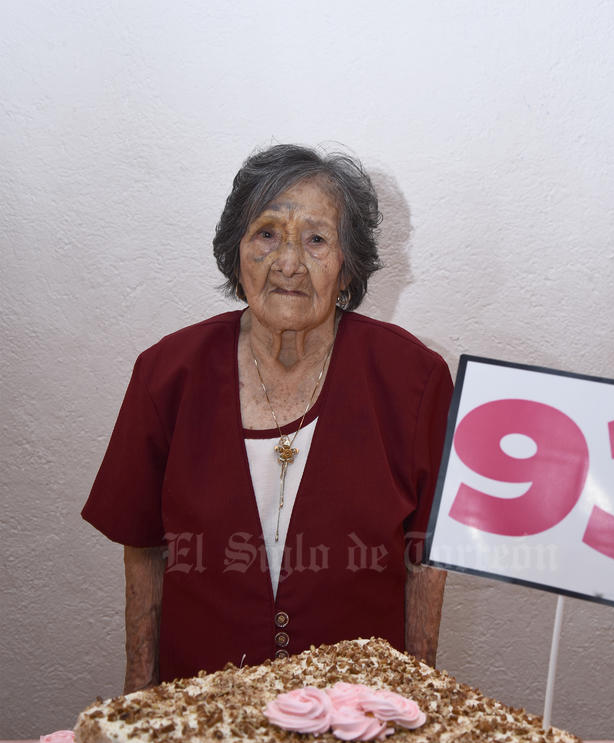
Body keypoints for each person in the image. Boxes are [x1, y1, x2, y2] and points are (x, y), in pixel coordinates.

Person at [82, 144, 453, 692]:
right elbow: (142, 551)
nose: (288, 263)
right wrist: (140, 697)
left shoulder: (414, 380)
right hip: (203, 714)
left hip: (359, 722)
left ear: (347, 266)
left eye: (316, 239)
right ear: (237, 253)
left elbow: (428, 562)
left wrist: (421, 698)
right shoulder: (166, 373)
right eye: (267, 234)